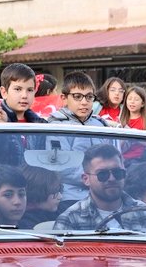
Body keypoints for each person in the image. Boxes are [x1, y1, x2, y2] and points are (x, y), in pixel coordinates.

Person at [54, 143, 146, 233]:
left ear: (124, 173)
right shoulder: (70, 219)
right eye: (102, 174)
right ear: (86, 179)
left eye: (117, 172)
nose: (112, 178)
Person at [46, 71, 114, 205]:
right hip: (70, 195)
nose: (84, 102)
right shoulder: (56, 126)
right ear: (64, 98)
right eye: (77, 97)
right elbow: (61, 167)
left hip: (105, 193)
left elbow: (112, 158)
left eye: (89, 97)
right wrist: (97, 178)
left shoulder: (100, 124)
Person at [119, 85, 146, 161]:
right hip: (122, 160)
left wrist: (136, 137)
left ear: (143, 103)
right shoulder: (119, 121)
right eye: (129, 99)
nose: (132, 101)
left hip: (144, 161)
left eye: (136, 99)